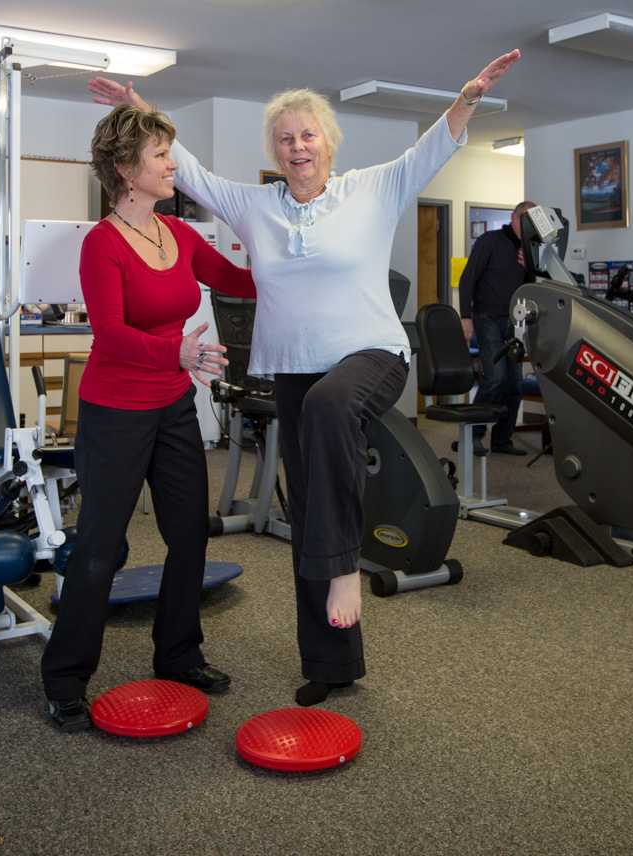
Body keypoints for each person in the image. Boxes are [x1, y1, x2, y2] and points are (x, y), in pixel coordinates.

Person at [90, 49, 520, 707]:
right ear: (275, 149)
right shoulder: (253, 205)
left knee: (327, 409)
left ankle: (346, 569)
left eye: (308, 135)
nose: (297, 147)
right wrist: (141, 113)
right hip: (292, 367)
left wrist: (467, 98)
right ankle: (331, 664)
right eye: (285, 138)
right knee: (310, 497)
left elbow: (432, 151)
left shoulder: (372, 188)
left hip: (371, 354)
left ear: (329, 143)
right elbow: (192, 172)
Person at [41, 104, 256, 731]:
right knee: (100, 549)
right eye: (161, 155)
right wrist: (178, 351)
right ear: (125, 170)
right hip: (113, 411)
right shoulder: (101, 244)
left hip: (171, 405)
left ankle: (179, 654)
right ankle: (65, 677)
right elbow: (107, 334)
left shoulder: (182, 235)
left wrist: (298, 255)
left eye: (170, 153)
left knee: (190, 532)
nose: (172, 165)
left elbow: (240, 280)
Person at [458, 200, 536, 456]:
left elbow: (532, 288)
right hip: (487, 317)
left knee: (514, 383)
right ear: (514, 217)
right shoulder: (489, 241)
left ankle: (502, 440)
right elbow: (467, 277)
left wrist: (530, 269)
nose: (528, 226)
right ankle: (472, 435)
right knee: (495, 377)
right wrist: (465, 317)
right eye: (524, 220)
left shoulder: (529, 249)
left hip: (516, 322)